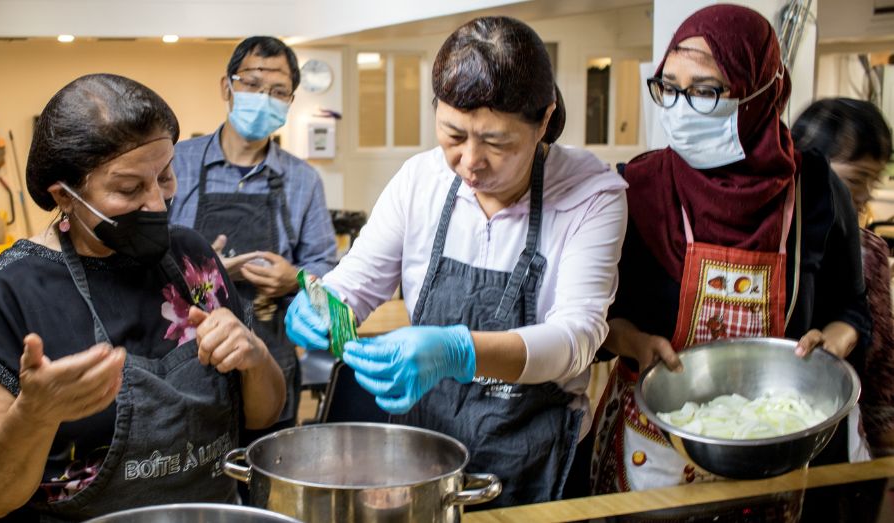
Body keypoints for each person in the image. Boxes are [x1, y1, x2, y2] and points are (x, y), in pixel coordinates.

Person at [286, 16, 628, 508]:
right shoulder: (419, 180)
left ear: (545, 119)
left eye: (497, 142)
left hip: (534, 453)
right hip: (422, 453)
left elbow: (577, 338)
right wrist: (327, 305)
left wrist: (457, 350)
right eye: (453, 135)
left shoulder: (591, 195)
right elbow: (357, 282)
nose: (470, 161)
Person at [0, 74, 285, 521]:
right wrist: (35, 416)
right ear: (64, 195)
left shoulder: (192, 260)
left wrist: (255, 357)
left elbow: (265, 414)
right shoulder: (10, 291)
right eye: (128, 189)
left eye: (163, 176)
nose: (157, 204)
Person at [590, 4, 871, 516]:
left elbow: (851, 308)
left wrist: (835, 341)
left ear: (764, 91)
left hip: (771, 445)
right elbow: (590, 319)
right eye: (668, 87)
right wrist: (631, 340)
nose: (678, 107)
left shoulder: (816, 192)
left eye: (705, 90)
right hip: (653, 446)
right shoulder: (638, 188)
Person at [169, 36, 336, 436]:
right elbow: (138, 258)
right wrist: (201, 273)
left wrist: (294, 281)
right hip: (181, 366)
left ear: (289, 102)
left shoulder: (303, 181)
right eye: (252, 84)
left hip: (270, 367)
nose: (264, 97)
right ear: (227, 87)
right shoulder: (176, 163)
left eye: (278, 91)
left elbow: (330, 290)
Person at [792, 97, 893, 522]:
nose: (866, 195)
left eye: (873, 180)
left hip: (836, 438)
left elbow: (881, 361)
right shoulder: (771, 243)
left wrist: (884, 450)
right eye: (856, 179)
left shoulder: (869, 251)